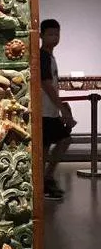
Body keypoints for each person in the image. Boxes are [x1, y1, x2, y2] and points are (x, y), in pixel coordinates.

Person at [40, 19, 74, 198]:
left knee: (59, 142)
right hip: (44, 112)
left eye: (57, 33)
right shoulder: (43, 56)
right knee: (59, 142)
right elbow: (45, 84)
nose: (54, 37)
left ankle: (46, 179)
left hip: (49, 111)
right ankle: (45, 180)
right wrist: (63, 109)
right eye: (50, 34)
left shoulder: (50, 57)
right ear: (41, 36)